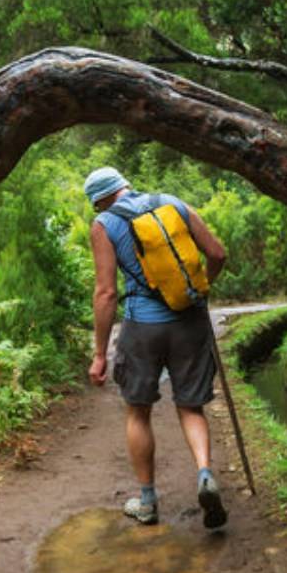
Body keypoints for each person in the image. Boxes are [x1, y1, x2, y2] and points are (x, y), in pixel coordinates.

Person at [83, 166, 229, 528]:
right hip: (190, 321)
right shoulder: (173, 204)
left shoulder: (104, 224)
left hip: (142, 326)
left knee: (138, 411)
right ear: (125, 185)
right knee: (191, 405)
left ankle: (147, 502)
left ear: (99, 201)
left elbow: (106, 293)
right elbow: (218, 254)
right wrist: (197, 291)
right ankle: (205, 474)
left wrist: (100, 354)